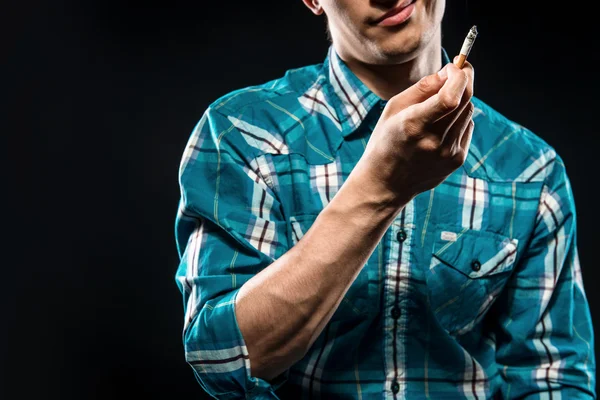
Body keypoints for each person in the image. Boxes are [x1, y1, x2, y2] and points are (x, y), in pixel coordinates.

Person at [174, 0, 596, 398]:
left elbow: (552, 378)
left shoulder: (530, 169)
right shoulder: (244, 135)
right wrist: (379, 186)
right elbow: (222, 357)